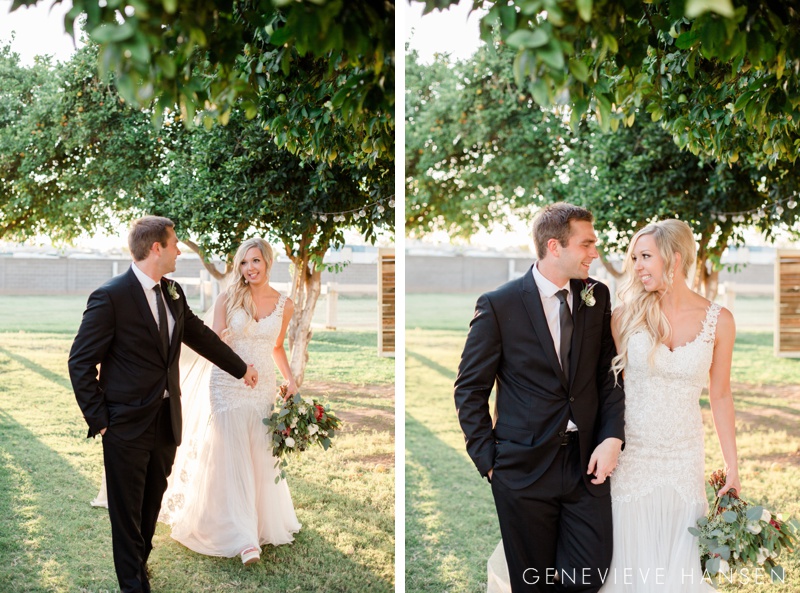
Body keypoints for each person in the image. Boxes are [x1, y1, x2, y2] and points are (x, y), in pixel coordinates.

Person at [69, 216, 259, 593]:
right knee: (126, 513)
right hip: (124, 424)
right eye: (174, 244)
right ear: (156, 247)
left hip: (166, 421)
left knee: (151, 503)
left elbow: (199, 335)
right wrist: (101, 420)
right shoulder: (110, 297)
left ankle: (139, 567)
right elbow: (80, 361)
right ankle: (133, 585)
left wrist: (241, 369)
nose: (178, 251)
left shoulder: (172, 291)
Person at [455, 202, 625, 593]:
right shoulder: (499, 305)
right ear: (554, 246)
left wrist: (612, 436)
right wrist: (490, 463)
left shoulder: (596, 296)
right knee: (533, 582)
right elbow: (470, 388)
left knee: (589, 574)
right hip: (522, 469)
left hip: (586, 465)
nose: (594, 253)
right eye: (587, 244)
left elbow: (608, 375)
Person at [597, 219, 739, 591]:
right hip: (633, 457)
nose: (637, 265)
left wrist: (732, 467)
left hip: (684, 458)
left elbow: (721, 395)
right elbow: (610, 390)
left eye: (646, 256)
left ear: (674, 259)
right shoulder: (624, 317)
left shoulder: (719, 321)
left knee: (680, 569)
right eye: (634, 257)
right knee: (631, 565)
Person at [161, 237, 301, 565]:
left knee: (258, 453)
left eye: (255, 261)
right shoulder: (228, 298)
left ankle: (259, 522)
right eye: (243, 262)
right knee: (233, 452)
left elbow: (277, 346)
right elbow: (213, 340)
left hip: (263, 384)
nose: (249, 268)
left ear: (267, 262)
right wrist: (229, 347)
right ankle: (244, 538)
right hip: (228, 382)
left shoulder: (286, 304)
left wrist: (290, 379)